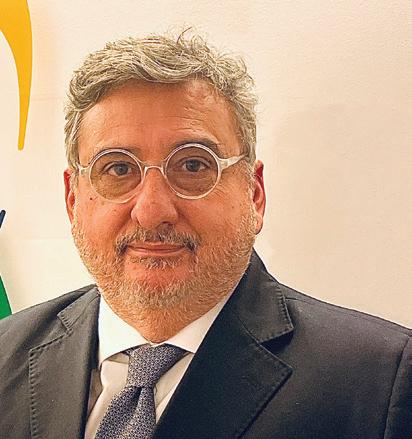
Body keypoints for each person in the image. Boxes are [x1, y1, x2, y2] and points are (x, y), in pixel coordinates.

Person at [0, 32, 411, 439]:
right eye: (118, 169)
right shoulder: (6, 353)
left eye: (193, 166)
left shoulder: (380, 383)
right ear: (73, 199)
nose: (152, 211)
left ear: (254, 193)